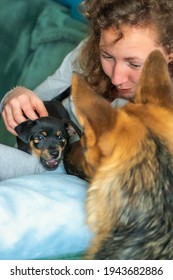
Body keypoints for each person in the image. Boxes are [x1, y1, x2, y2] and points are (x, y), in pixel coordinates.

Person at [0, 0, 173, 180]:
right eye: (107, 56)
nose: (116, 78)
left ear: (170, 53)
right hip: (36, 160)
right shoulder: (87, 53)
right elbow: (38, 101)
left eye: (134, 63)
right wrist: (14, 95)